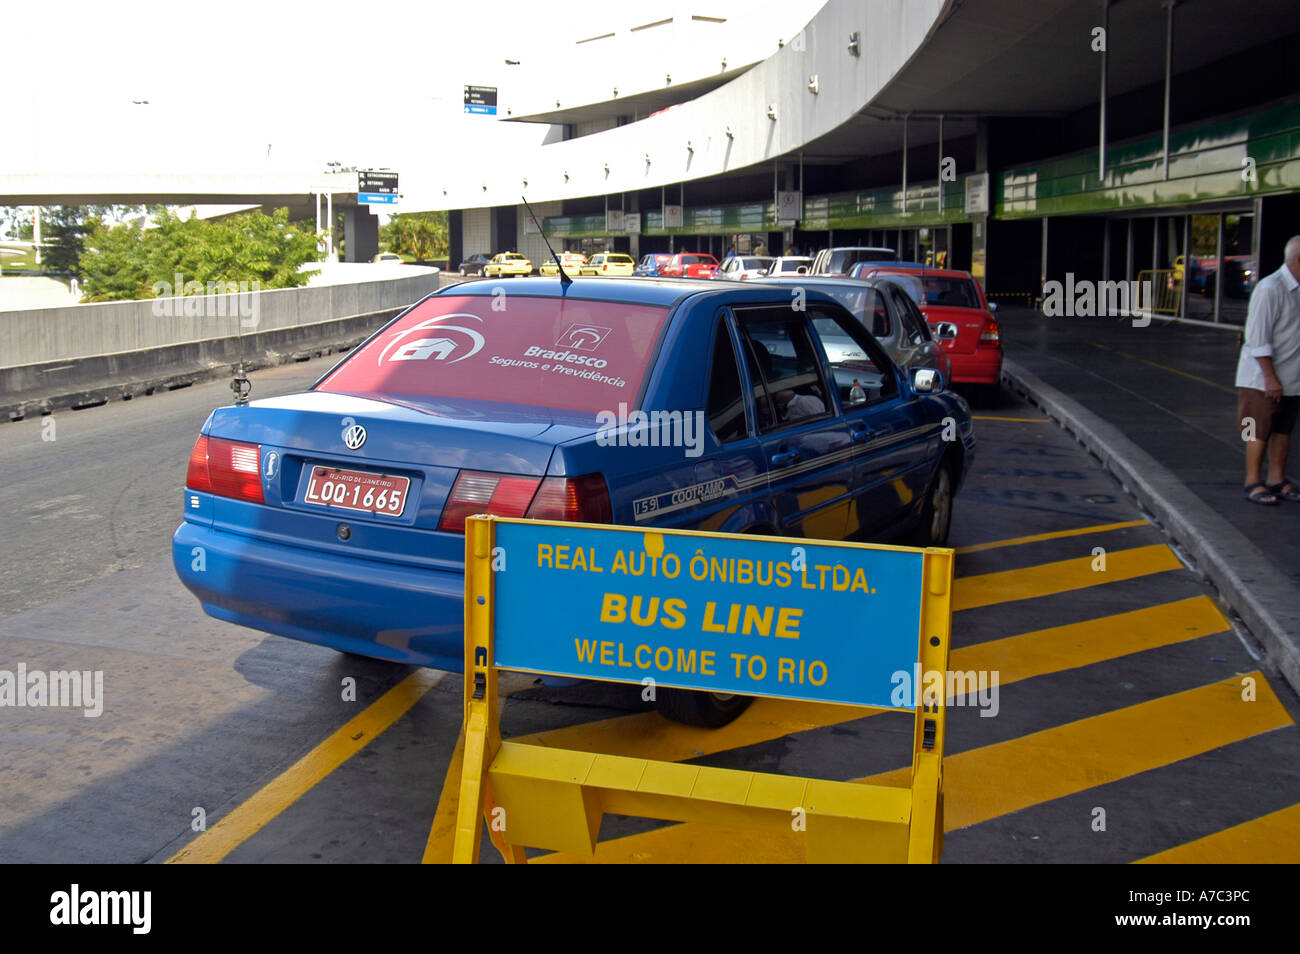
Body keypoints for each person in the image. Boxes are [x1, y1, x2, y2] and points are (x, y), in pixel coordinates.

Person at [1237, 235, 1300, 505]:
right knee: (1257, 430)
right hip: (1261, 379)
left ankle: (1277, 479)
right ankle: (1253, 481)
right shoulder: (1270, 288)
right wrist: (1270, 378)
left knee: (1283, 430)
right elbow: (1258, 339)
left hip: (1291, 377)